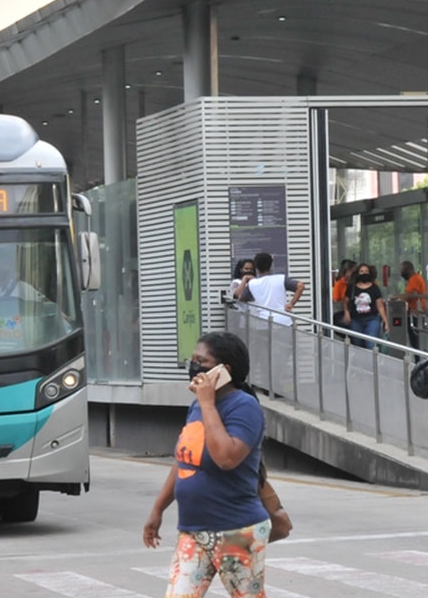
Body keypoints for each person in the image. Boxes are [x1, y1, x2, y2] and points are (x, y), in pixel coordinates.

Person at [143, 332, 271, 597]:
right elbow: (184, 461)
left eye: (202, 361)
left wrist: (207, 403)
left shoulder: (244, 407)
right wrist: (158, 509)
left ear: (225, 370)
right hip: (193, 529)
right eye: (193, 360)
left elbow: (226, 458)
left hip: (237, 530)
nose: (195, 367)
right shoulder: (198, 406)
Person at [235, 252, 305, 327]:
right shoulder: (280, 278)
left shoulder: (252, 283)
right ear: (270, 265)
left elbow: (240, 297)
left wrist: (244, 280)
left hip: (264, 322)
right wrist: (291, 304)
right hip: (284, 321)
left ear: (256, 267)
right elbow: (300, 286)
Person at [341, 262, 389, 349]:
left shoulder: (375, 288)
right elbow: (345, 302)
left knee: (370, 344)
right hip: (356, 320)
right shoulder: (352, 288)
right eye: (362, 271)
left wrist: (386, 322)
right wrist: (346, 312)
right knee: (357, 344)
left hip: (372, 320)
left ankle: (371, 362)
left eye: (366, 271)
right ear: (358, 274)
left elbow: (380, 306)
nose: (364, 273)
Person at [397, 261, 427, 350]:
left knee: (414, 338)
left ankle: (418, 359)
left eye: (402, 270)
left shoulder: (414, 279)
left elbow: (412, 294)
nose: (401, 273)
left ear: (408, 269)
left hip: (414, 311)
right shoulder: (413, 279)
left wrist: (398, 297)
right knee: (413, 338)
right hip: (413, 310)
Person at [332, 259, 357, 329]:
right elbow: (336, 300)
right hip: (342, 311)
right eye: (352, 271)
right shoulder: (340, 284)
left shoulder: (359, 284)